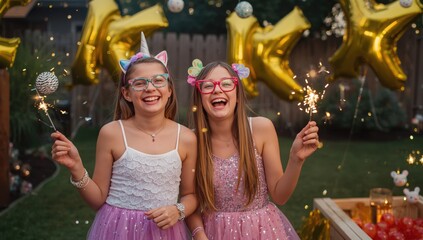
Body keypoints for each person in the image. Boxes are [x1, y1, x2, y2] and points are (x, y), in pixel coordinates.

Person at [51, 34, 197, 240]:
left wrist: (178, 210)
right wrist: (76, 168)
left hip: (165, 232)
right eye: (139, 83)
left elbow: (191, 195)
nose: (150, 88)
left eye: (158, 80)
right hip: (116, 230)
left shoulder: (187, 138)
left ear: (169, 90)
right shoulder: (111, 133)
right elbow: (97, 199)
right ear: (127, 93)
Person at [185, 60, 319, 240]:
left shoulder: (261, 129)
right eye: (208, 86)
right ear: (199, 97)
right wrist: (200, 235)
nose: (218, 90)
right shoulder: (192, 141)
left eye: (226, 84)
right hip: (213, 234)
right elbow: (189, 199)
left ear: (238, 94)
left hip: (261, 231)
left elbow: (279, 196)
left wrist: (296, 159)